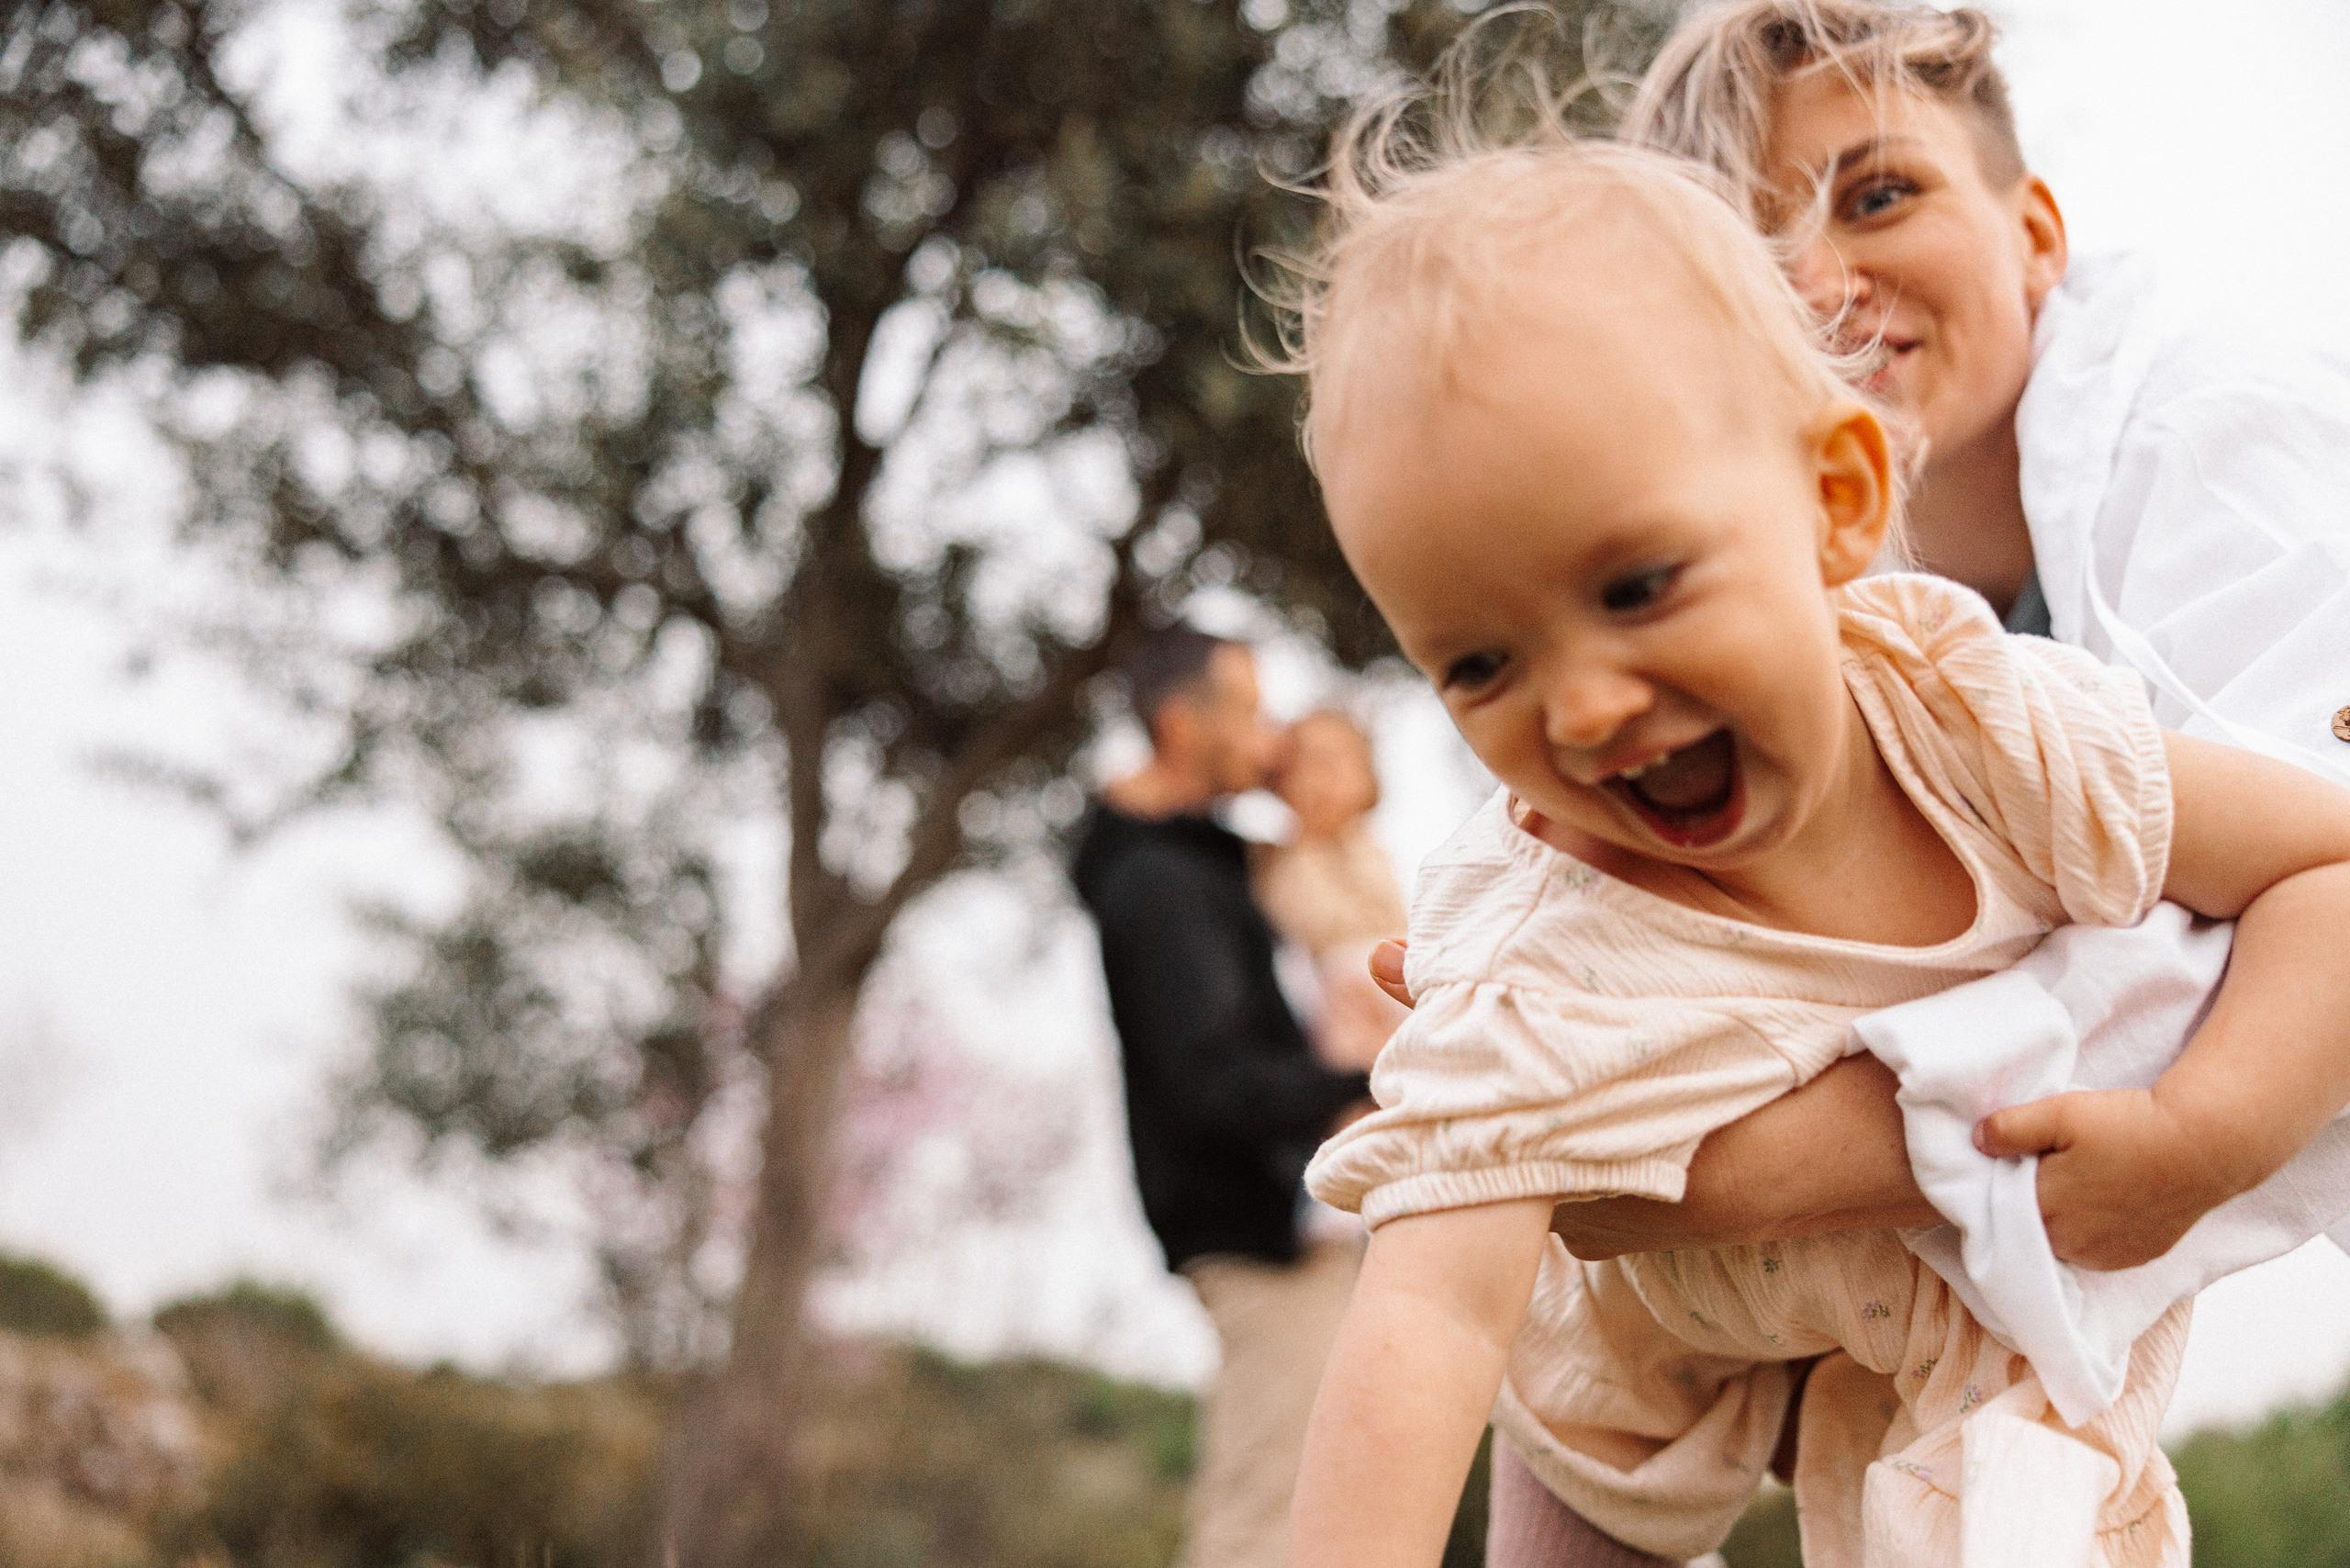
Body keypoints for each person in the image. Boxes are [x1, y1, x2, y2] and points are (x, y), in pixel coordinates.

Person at [1257, 107, 2350, 1568]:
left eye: (1638, 586)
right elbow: (1430, 1319)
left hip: (1962, 1315)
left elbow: (2323, 864)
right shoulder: (1540, 960)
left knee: (2030, 1506)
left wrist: (2203, 1129)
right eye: (1479, 666)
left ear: (1833, 502)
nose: (1581, 710)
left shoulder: (1985, 733)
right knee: (1584, 1463)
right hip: (1659, 1337)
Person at [1069, 624, 1372, 1568]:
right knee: (1265, 1522)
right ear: (1178, 723)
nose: (1269, 732)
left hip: (1290, 1223)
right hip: (1255, 1231)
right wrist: (1370, 1084)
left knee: (1322, 1514)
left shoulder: (1214, 864)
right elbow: (1213, 1083)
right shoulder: (1156, 885)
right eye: (1246, 709)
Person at [1258, 708, 1411, 1074]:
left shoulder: (1370, 849)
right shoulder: (1284, 859)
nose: (1322, 778)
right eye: (1307, 763)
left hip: (1396, 989)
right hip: (1338, 1011)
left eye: (1338, 760)